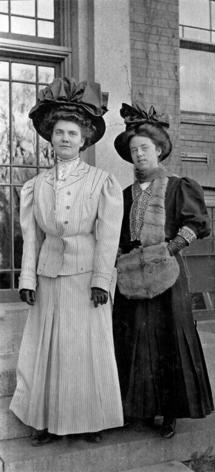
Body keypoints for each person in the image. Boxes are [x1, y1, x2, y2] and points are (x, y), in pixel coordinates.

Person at [10, 77, 124, 446]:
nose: (65, 139)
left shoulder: (101, 182)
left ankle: (90, 421)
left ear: (84, 138)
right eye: (59, 132)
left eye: (72, 133)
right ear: (50, 136)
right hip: (48, 275)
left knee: (85, 347)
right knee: (47, 348)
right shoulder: (35, 187)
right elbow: (33, 237)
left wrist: (101, 281)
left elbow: (108, 238)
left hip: (86, 275)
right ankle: (44, 421)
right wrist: (28, 278)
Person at [113, 103, 214, 439]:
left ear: (158, 150)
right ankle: (136, 409)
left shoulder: (177, 186)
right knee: (133, 340)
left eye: (145, 148)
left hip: (168, 275)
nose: (139, 155)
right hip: (131, 275)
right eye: (134, 150)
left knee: (167, 339)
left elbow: (196, 226)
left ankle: (169, 412)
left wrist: (165, 251)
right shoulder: (125, 194)